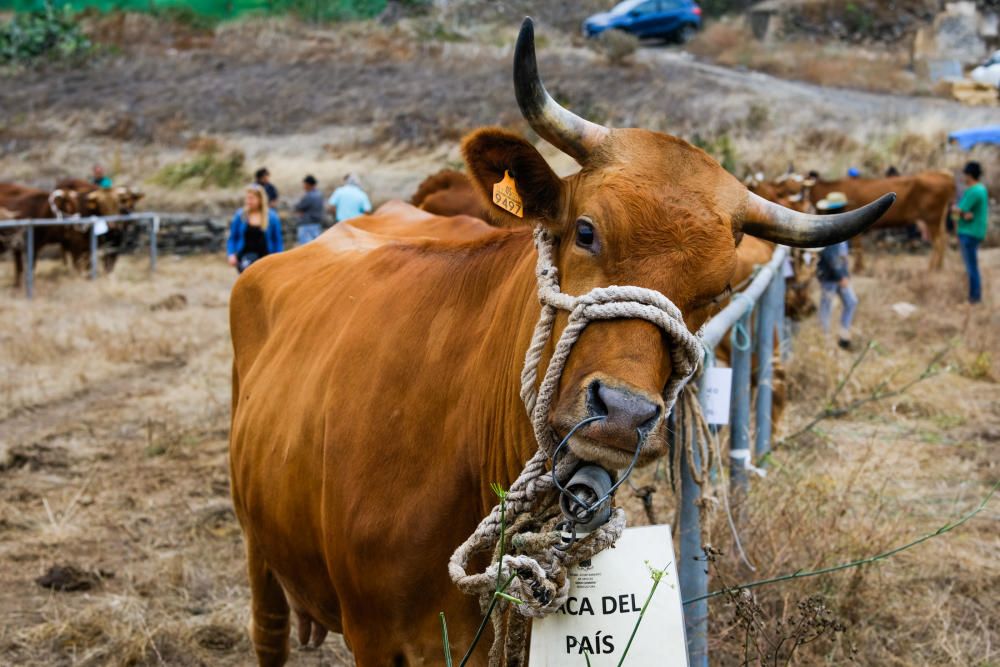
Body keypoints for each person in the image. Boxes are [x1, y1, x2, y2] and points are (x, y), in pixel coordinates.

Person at [815, 192, 858, 350]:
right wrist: (841, 275)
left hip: (837, 273)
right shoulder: (833, 227)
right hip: (831, 275)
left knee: (850, 302)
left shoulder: (839, 225)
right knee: (827, 305)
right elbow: (831, 255)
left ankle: (843, 333)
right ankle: (824, 337)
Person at [227, 184, 283, 273]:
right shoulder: (240, 215)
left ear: (260, 199)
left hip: (266, 258)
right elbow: (232, 237)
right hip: (245, 258)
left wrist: (279, 258)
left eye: (252, 198)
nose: (248, 201)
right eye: (247, 198)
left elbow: (277, 240)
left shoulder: (272, 217)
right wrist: (231, 254)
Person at [954, 161, 989, 304]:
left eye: (965, 175)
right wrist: (961, 214)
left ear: (969, 175)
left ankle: (974, 298)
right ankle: (974, 296)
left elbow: (958, 211)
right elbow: (961, 213)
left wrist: (957, 212)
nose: (963, 178)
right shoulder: (980, 189)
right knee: (971, 266)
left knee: (971, 267)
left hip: (969, 232)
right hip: (973, 232)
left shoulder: (974, 191)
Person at [294, 175, 325, 245]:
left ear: (308, 184)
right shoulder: (320, 195)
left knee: (305, 248)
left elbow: (298, 207)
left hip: (306, 225)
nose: (303, 186)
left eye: (304, 184)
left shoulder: (309, 196)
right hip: (317, 225)